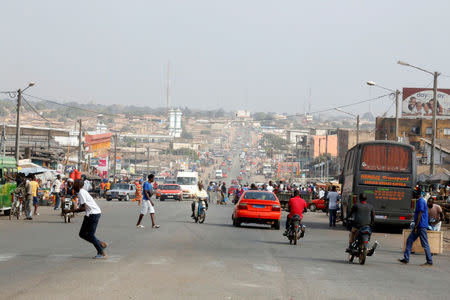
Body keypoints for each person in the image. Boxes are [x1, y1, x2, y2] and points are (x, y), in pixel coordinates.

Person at [64, 179, 107, 259]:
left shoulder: (81, 192)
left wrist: (70, 211)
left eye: (75, 183)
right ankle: (100, 244)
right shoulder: (80, 192)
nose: (73, 185)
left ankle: (101, 252)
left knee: (90, 234)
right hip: (89, 214)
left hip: (93, 214)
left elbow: (83, 208)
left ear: (78, 185)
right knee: (82, 234)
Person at [399, 194, 433, 266]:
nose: (412, 196)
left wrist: (416, 226)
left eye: (413, 195)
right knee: (409, 240)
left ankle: (429, 261)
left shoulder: (421, 201)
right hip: (419, 225)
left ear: (416, 195)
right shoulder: (420, 201)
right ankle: (406, 259)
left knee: (425, 244)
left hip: (421, 226)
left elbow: (420, 214)